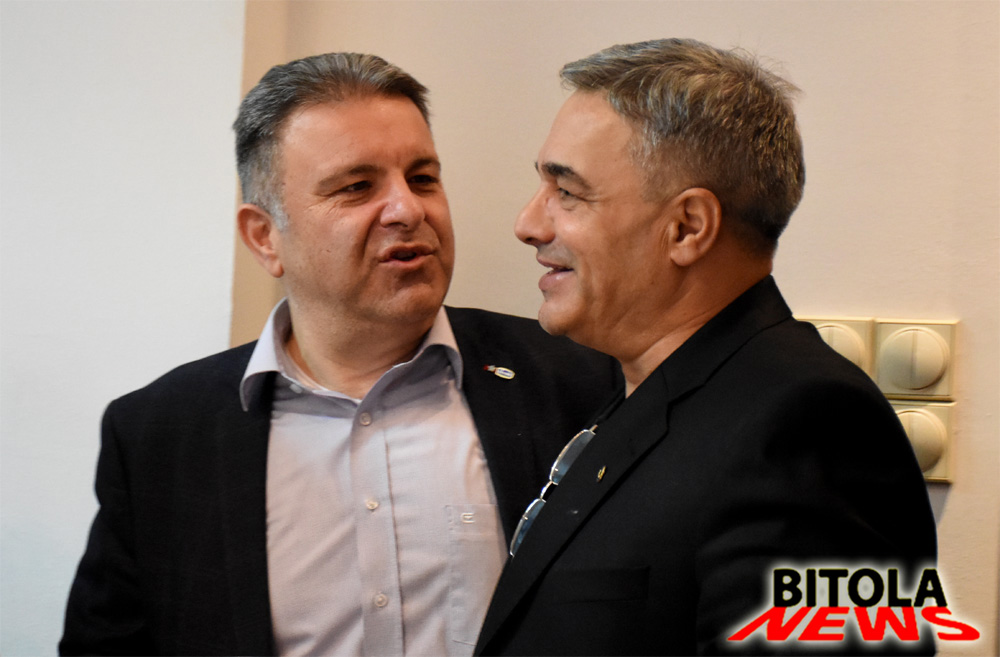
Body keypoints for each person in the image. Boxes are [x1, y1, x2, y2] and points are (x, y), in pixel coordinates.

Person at [59, 52, 618, 656]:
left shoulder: (582, 381)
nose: (408, 210)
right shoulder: (159, 435)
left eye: (423, 178)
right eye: (357, 187)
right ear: (265, 237)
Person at [474, 39, 937, 656]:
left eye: (568, 193)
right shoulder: (646, 394)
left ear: (687, 227)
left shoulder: (805, 431)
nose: (528, 224)